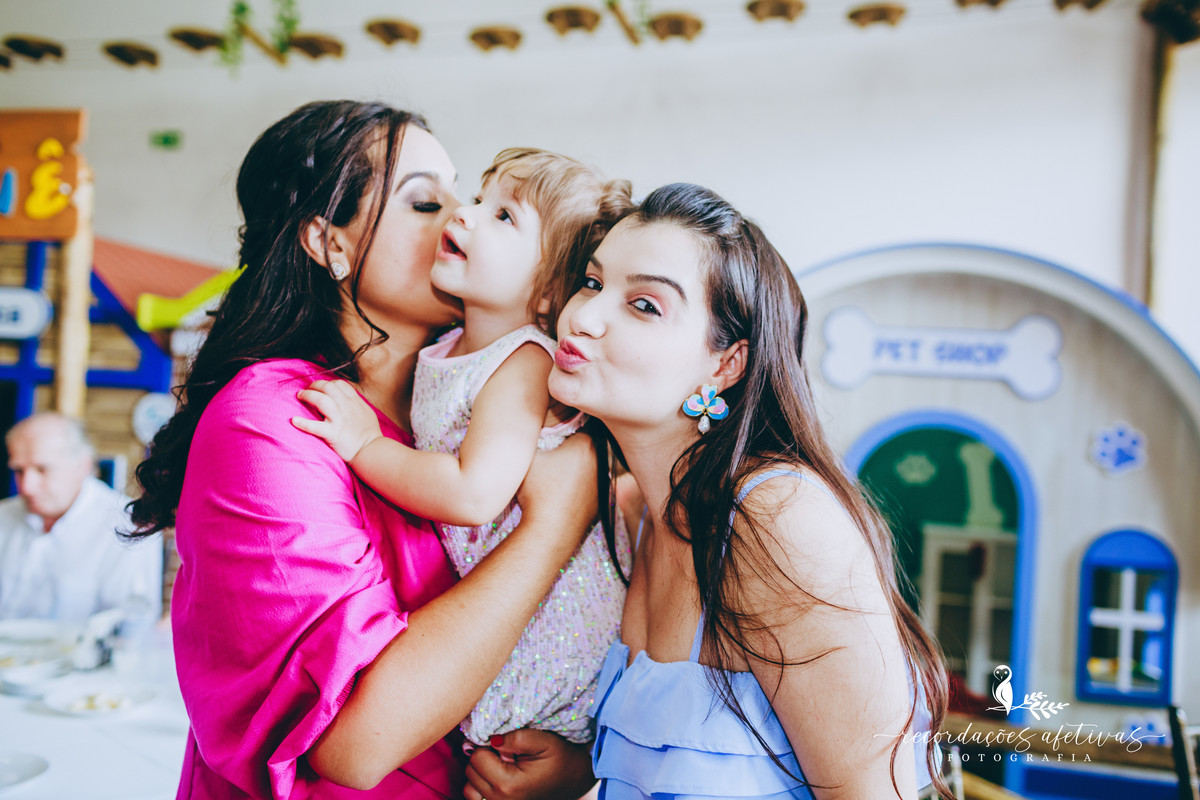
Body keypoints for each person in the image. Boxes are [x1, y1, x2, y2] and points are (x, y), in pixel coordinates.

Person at [125, 101, 597, 800]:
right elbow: (356, 742)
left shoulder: (462, 415)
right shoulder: (276, 420)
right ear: (329, 242)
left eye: (468, 200)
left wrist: (574, 758)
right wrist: (551, 528)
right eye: (425, 203)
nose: (460, 220)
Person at [544, 183, 951, 800]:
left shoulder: (774, 519)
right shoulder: (638, 511)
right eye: (595, 283)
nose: (583, 316)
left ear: (726, 364)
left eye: (645, 305)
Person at [293, 147, 633, 747]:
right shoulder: (451, 343)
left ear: (550, 291)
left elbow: (474, 492)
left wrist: (365, 443)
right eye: (482, 198)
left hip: (549, 615)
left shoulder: (524, 360)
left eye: (504, 217)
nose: (465, 215)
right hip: (499, 596)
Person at [0, 411, 162, 622]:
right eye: (19, 471)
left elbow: (132, 626)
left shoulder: (129, 527)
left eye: (42, 469)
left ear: (82, 465)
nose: (27, 487)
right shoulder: (4, 515)